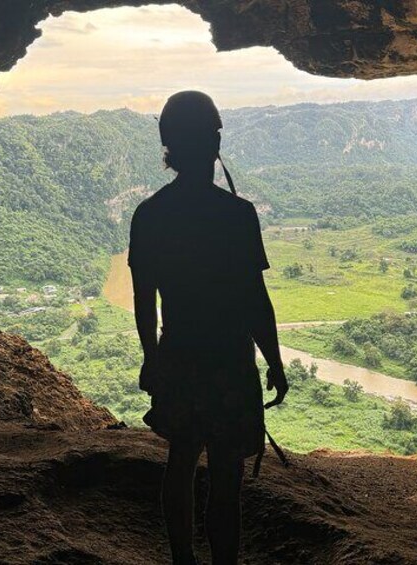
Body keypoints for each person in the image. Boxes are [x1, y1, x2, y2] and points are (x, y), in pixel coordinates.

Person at [128, 91, 288, 565]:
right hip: (229, 360)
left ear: (170, 145)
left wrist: (152, 359)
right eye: (215, 131)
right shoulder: (237, 214)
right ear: (211, 141)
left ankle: (183, 560)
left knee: (181, 461)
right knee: (226, 477)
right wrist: (275, 363)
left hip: (180, 353)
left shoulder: (151, 214)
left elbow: (144, 300)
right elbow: (255, 300)